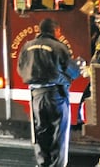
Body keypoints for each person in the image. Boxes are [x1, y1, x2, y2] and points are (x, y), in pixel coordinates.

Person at [16, 18, 82, 167]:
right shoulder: (58, 47)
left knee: (40, 133)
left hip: (35, 96)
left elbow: (21, 69)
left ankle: (42, 164)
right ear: (56, 30)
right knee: (59, 136)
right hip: (55, 95)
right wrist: (78, 66)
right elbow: (72, 71)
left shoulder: (27, 47)